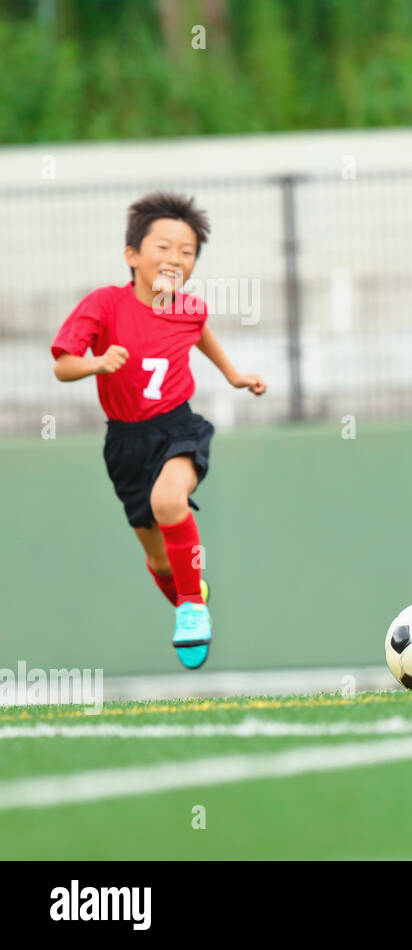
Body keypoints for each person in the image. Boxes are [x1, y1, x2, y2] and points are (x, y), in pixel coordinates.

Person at [51, 192, 266, 669]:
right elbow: (63, 366)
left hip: (177, 427)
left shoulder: (188, 308)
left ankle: (191, 609)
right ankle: (190, 591)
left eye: (187, 252)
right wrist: (96, 363)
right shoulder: (104, 305)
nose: (175, 258)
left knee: (168, 501)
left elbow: (200, 331)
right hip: (126, 443)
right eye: (163, 247)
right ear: (133, 256)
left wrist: (233, 375)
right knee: (161, 560)